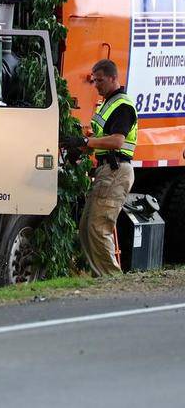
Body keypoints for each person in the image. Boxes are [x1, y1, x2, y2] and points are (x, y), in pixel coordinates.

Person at [61, 59, 137, 276]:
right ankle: (101, 279)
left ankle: (112, 280)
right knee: (86, 228)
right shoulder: (108, 104)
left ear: (114, 78)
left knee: (97, 228)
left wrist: (85, 143)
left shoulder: (122, 105)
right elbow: (100, 140)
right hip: (108, 170)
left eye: (100, 80)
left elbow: (116, 142)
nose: (96, 85)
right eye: (94, 81)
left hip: (116, 171)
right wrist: (77, 147)